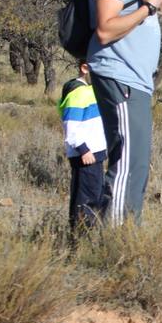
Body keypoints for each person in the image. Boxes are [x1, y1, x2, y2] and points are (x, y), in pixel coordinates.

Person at [87, 0, 162, 225]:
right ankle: (117, 239)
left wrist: (158, 4)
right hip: (119, 75)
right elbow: (106, 29)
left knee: (137, 162)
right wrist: (148, 6)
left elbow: (142, 17)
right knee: (127, 163)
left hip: (134, 80)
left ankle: (122, 232)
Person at [59, 60, 107, 235]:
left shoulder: (89, 91)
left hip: (95, 154)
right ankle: (79, 241)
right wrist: (84, 150)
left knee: (94, 198)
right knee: (85, 201)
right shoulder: (77, 93)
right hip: (86, 155)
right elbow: (71, 128)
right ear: (84, 67)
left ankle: (85, 237)